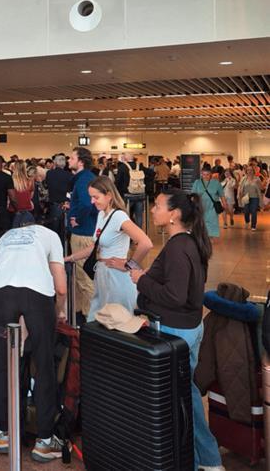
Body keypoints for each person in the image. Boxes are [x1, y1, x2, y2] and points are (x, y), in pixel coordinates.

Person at [130, 189, 223, 470]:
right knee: (186, 395)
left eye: (158, 206)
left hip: (176, 330)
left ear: (174, 214)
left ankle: (196, 459)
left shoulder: (178, 247)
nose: (153, 209)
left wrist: (141, 280)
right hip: (187, 326)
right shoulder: (189, 242)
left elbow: (175, 295)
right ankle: (206, 458)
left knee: (181, 400)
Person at [0, 214, 67, 462]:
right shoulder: (50, 235)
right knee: (43, 363)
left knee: (3, 362)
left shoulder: (4, 238)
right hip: (37, 294)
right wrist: (57, 312)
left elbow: (5, 274)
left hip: (0, 293)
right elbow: (61, 287)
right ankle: (45, 441)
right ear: (36, 224)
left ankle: (4, 432)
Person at [64, 176, 153, 319]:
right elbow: (95, 246)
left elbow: (146, 243)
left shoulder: (119, 216)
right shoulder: (101, 214)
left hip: (116, 278)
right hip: (102, 275)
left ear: (109, 195)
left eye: (96, 197)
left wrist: (129, 265)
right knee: (99, 318)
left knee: (116, 321)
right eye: (91, 197)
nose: (92, 201)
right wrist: (70, 258)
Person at [67, 147, 98, 322]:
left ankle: (90, 316)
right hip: (86, 231)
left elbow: (87, 204)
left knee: (84, 277)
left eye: (72, 158)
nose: (69, 160)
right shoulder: (87, 178)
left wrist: (76, 219)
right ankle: (79, 311)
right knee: (80, 277)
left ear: (80, 162)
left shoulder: (83, 179)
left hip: (83, 233)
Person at [191, 167, 226, 239]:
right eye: (204, 174)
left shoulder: (216, 183)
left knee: (212, 221)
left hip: (212, 206)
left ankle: (210, 237)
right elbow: (193, 195)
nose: (205, 176)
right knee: (201, 222)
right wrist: (192, 204)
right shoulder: (197, 182)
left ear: (210, 174)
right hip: (200, 206)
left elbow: (221, 194)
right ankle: (203, 236)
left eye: (207, 174)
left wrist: (224, 203)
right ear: (201, 174)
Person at [44, 154, 72, 239]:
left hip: (53, 205)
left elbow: (47, 185)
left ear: (55, 163)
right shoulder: (69, 175)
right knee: (64, 231)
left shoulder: (49, 173)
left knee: (54, 231)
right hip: (65, 205)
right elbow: (70, 190)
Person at [115, 154, 147, 228]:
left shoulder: (122, 167)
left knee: (126, 215)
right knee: (139, 215)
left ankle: (129, 231)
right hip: (140, 194)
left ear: (125, 159)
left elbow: (118, 181)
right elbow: (151, 173)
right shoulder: (140, 166)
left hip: (128, 195)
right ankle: (139, 231)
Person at [9, 161, 35, 227]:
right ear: (25, 168)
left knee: (15, 230)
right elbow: (31, 195)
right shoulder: (30, 180)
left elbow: (10, 196)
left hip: (14, 209)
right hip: (27, 208)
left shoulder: (10, 180)